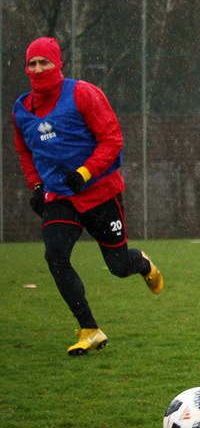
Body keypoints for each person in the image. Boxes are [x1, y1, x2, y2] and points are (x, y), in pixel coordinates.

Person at [11, 37, 164, 356]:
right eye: (31, 64)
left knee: (118, 266)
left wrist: (84, 172)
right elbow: (25, 151)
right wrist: (36, 185)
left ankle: (142, 263)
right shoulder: (21, 110)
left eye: (44, 62)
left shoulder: (83, 94)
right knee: (55, 256)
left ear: (58, 64)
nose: (37, 69)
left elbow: (112, 139)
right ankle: (90, 329)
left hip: (99, 192)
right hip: (60, 197)